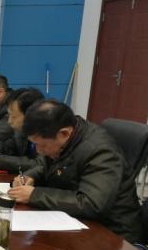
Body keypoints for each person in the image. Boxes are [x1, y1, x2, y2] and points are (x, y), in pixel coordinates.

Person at [8, 99, 143, 242]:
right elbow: (50, 165)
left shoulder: (100, 151)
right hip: (79, 222)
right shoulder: (66, 136)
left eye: (42, 145)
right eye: (34, 144)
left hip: (113, 235)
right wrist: (31, 176)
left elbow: (91, 203)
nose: (39, 151)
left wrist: (34, 195)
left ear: (64, 133)